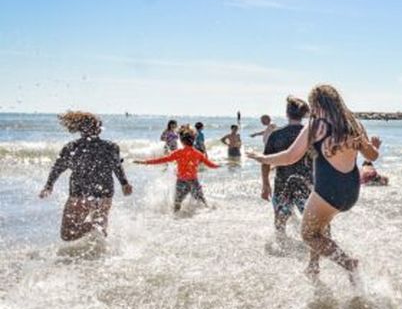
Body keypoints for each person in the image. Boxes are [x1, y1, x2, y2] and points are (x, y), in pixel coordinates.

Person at [247, 85, 380, 278]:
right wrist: (374, 146)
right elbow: (372, 155)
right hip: (351, 191)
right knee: (320, 226)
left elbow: (289, 157)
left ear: (317, 105)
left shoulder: (316, 126)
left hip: (328, 190)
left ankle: (349, 263)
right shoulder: (354, 124)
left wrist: (261, 158)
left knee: (309, 235)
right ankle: (313, 267)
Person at [40, 111, 133, 240]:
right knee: (100, 231)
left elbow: (58, 168)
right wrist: (124, 184)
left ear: (80, 129)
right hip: (104, 194)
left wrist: (49, 186)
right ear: (99, 129)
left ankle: (93, 228)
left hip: (80, 193)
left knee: (67, 235)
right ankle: (100, 250)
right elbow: (117, 166)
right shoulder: (111, 147)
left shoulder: (71, 147)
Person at [260, 96, 312, 236]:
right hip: (307, 184)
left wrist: (265, 184)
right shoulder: (311, 135)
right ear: (303, 114)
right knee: (313, 222)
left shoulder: (276, 135)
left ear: (287, 113)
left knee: (280, 222)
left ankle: (281, 249)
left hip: (282, 183)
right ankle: (317, 250)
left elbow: (266, 161)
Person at [135, 125, 219, 211]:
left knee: (177, 204)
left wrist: (145, 162)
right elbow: (210, 165)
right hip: (193, 181)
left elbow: (163, 160)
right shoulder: (198, 154)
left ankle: (175, 221)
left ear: (181, 141)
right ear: (193, 140)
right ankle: (211, 213)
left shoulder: (178, 153)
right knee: (203, 202)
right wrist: (219, 166)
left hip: (181, 182)